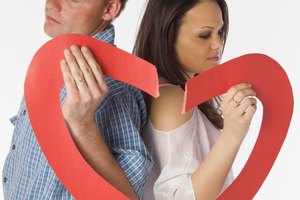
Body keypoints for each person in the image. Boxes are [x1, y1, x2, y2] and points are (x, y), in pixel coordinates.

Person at [2, 0, 152, 199]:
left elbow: (125, 195)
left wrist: (82, 124)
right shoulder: (53, 63)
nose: (52, 5)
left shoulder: (114, 88)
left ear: (109, 9)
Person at [133, 0, 257, 199]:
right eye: (204, 35)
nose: (218, 44)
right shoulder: (171, 99)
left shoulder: (189, 92)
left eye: (220, 32)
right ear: (167, 36)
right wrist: (233, 134)